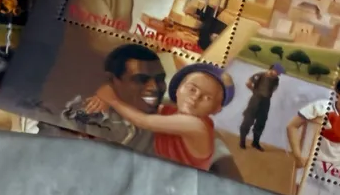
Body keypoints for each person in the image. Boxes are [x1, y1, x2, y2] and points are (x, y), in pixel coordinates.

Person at [86, 62, 236, 173]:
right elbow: (144, 106)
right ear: (178, 89)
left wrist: (112, 99)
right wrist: (105, 99)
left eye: (207, 97)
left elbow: (143, 121)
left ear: (216, 109)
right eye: (192, 89)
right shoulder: (172, 112)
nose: (195, 98)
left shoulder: (196, 125)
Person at [62, 43, 167, 154]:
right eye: (141, 79)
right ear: (111, 80)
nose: (154, 87)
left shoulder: (165, 120)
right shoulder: (82, 116)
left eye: (160, 79)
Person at [239, 62, 284, 150]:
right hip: (256, 99)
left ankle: (255, 142)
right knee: (248, 119)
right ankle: (242, 140)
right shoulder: (260, 75)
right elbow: (248, 83)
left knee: (261, 122)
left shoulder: (276, 80)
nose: (278, 74)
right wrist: (255, 91)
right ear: (272, 69)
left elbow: (274, 89)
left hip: (266, 101)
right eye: (277, 72)